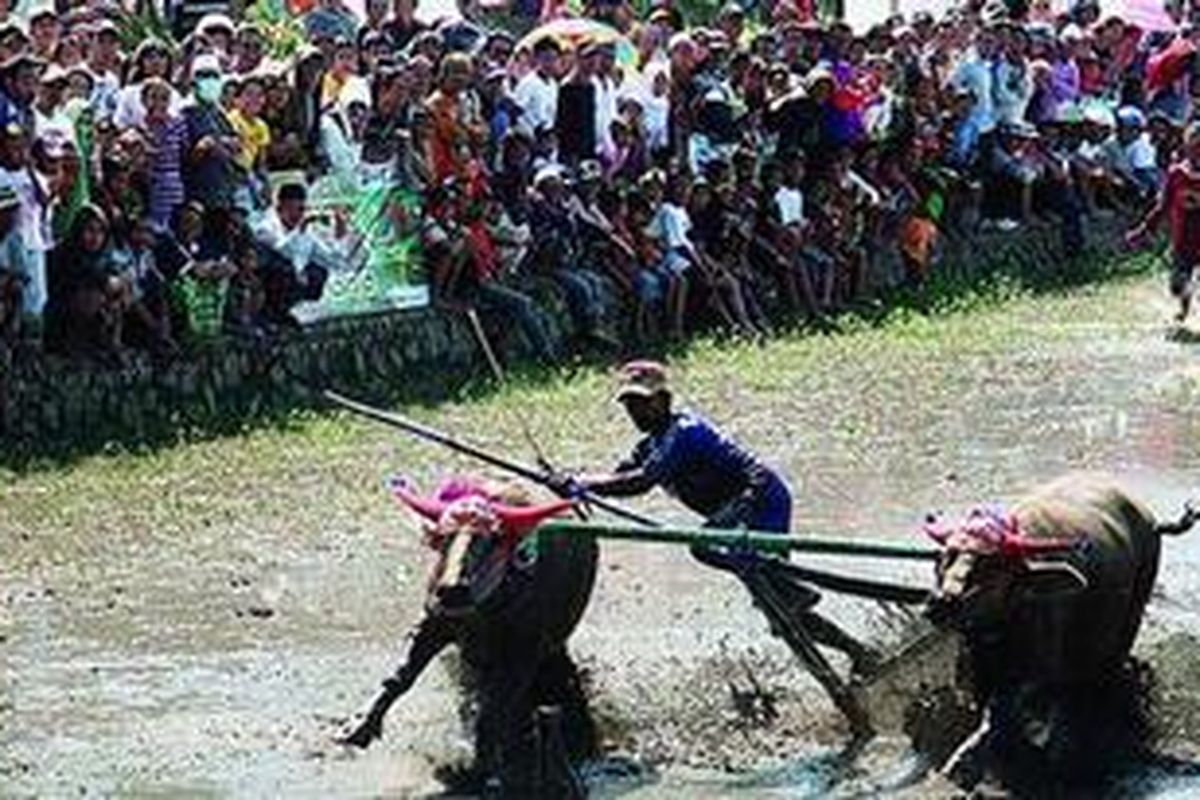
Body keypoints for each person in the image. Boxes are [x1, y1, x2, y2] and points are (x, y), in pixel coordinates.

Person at [560, 360, 793, 534]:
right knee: (743, 562)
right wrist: (573, 479)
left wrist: (582, 484)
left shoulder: (685, 433)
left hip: (761, 497)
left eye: (644, 403)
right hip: (737, 505)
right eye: (630, 405)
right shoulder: (649, 445)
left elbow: (641, 482)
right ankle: (783, 596)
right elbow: (620, 477)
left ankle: (789, 594)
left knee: (710, 549)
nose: (636, 412)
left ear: (665, 400)